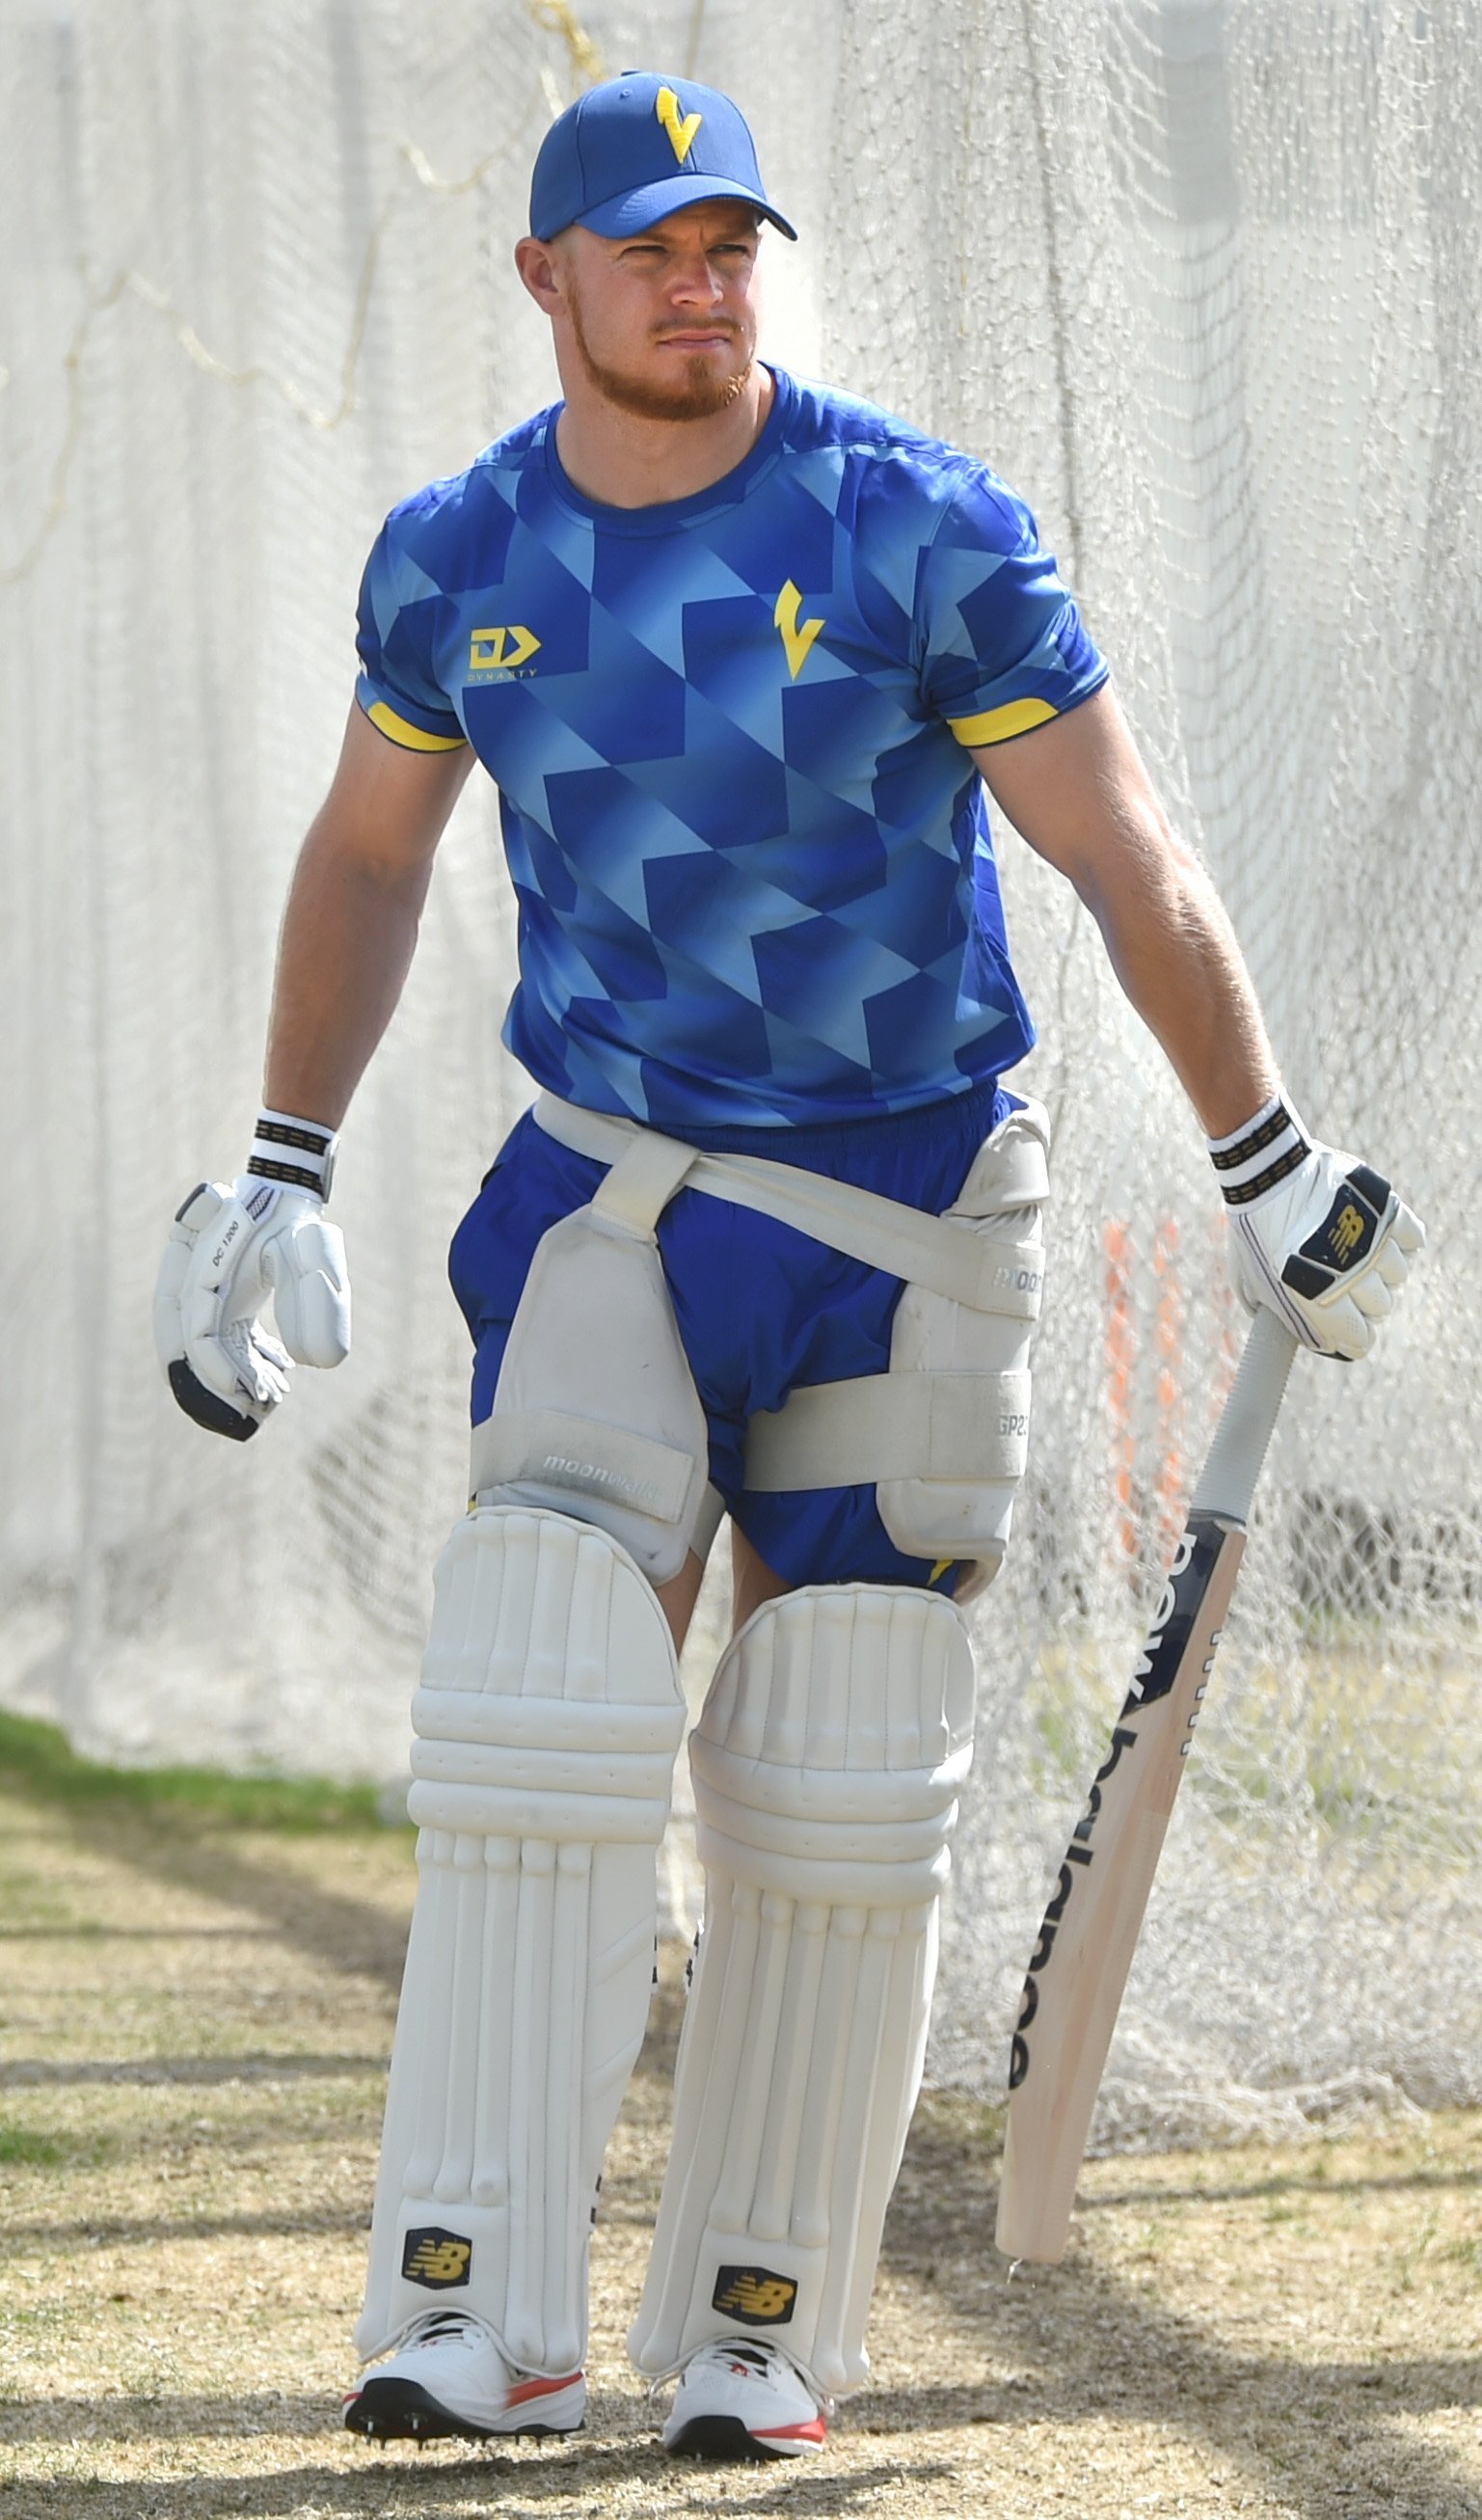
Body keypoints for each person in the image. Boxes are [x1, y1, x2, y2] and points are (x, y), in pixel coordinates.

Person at [154, 70, 1423, 2464]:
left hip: (902, 1208)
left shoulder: (918, 526)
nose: (702, 277)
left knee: (841, 1755)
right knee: (537, 1709)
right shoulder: (455, 554)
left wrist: (1258, 1158)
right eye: (649, 245)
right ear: (545, 279)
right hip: (614, 1190)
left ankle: (758, 2325)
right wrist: (282, 1165)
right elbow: (363, 855)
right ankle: (471, 2308)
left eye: (732, 238)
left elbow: (1118, 848)